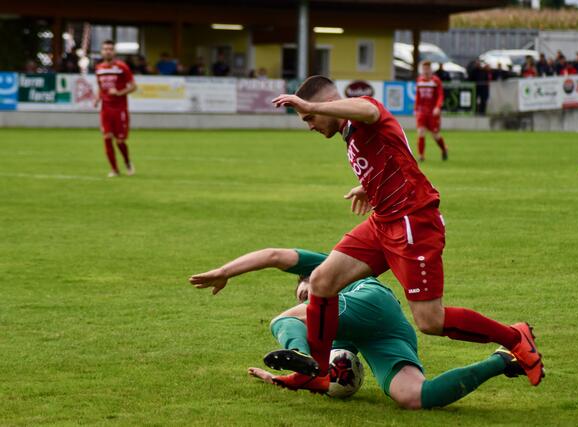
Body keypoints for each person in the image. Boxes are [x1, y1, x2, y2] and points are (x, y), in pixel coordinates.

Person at [269, 76, 544, 392]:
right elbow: (396, 155)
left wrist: (309, 104)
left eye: (310, 118)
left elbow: (368, 110)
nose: (310, 125)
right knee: (321, 281)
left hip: (413, 223)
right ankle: (315, 370)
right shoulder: (350, 133)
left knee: (430, 321)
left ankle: (515, 336)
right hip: (383, 221)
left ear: (328, 106)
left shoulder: (366, 111)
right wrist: (369, 186)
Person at [189, 248, 527, 408]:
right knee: (415, 397)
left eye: (305, 290)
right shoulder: (325, 324)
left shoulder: (326, 266)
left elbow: (276, 255)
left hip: (368, 298)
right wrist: (282, 379)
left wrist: (225, 270)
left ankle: (298, 352)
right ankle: (504, 359)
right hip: (387, 330)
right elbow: (330, 375)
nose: (304, 296)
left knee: (284, 320)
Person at [94, 40, 137, 177]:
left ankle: (127, 162)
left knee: (120, 141)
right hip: (105, 109)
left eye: (110, 49)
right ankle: (114, 170)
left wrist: (119, 93)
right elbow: (100, 87)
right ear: (101, 51)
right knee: (107, 137)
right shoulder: (99, 68)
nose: (108, 51)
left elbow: (134, 87)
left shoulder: (122, 67)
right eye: (105, 49)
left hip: (120, 109)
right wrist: (97, 98)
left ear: (114, 52)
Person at [414, 61, 448, 162]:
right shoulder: (419, 80)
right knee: (420, 132)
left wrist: (437, 107)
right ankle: (421, 156)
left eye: (427, 69)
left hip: (433, 112)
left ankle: (444, 149)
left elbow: (440, 95)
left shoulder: (436, 81)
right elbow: (418, 96)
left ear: (430, 69)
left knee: (435, 135)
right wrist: (416, 108)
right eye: (424, 69)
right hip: (422, 111)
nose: (425, 71)